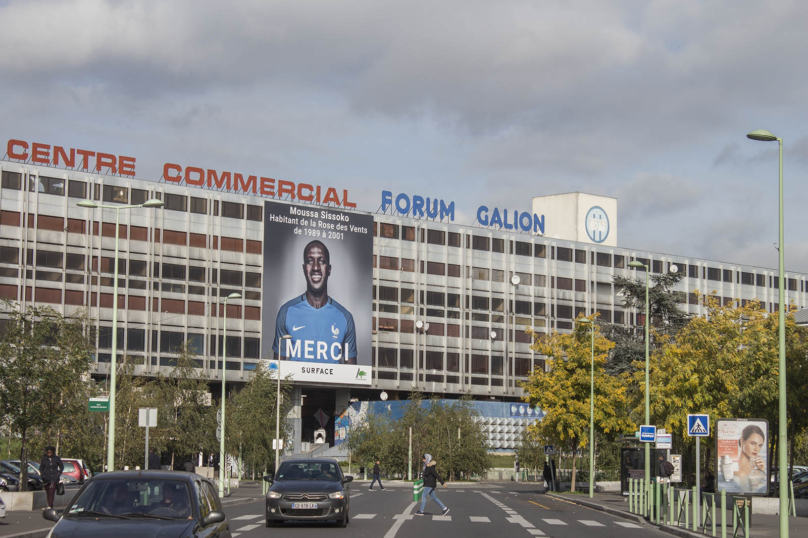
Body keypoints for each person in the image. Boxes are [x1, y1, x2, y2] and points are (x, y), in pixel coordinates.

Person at [272, 240, 357, 364]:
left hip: (331, 384)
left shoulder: (345, 318)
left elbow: (353, 376)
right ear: (303, 268)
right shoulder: (286, 312)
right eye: (310, 261)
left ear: (329, 269)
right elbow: (276, 372)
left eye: (322, 261)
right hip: (296, 384)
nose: (316, 267)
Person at [734, 424, 766, 492]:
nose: (756, 449)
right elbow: (748, 492)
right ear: (742, 441)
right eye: (753, 443)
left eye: (760, 445)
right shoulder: (740, 472)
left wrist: (761, 470)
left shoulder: (755, 466)